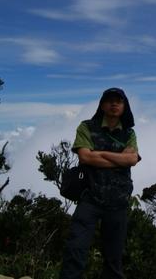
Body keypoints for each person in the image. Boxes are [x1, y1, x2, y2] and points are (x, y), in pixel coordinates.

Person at [60, 87, 141, 279]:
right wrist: (117, 158)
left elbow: (131, 160)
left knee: (114, 257)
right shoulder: (87, 126)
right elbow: (85, 158)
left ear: (124, 106)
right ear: (102, 105)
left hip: (118, 201)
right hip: (90, 197)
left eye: (118, 101)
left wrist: (101, 154)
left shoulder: (129, 133)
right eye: (110, 100)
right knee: (76, 248)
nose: (114, 104)